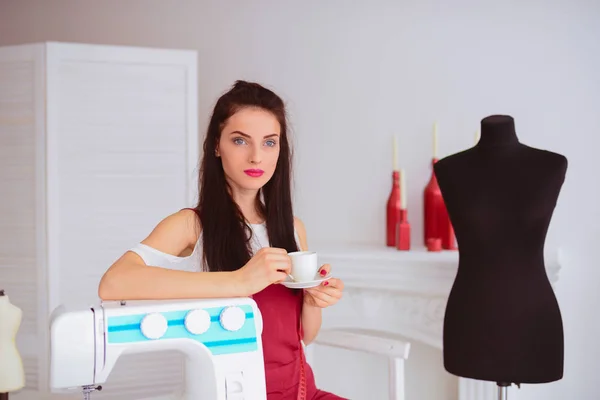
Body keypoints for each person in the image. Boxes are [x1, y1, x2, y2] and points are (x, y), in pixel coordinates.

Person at [98, 80, 346, 400]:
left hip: (303, 393)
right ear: (217, 145)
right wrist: (240, 281)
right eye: (241, 140)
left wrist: (313, 302)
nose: (257, 156)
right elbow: (113, 283)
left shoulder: (293, 228)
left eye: (269, 143)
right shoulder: (191, 225)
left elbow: (303, 338)